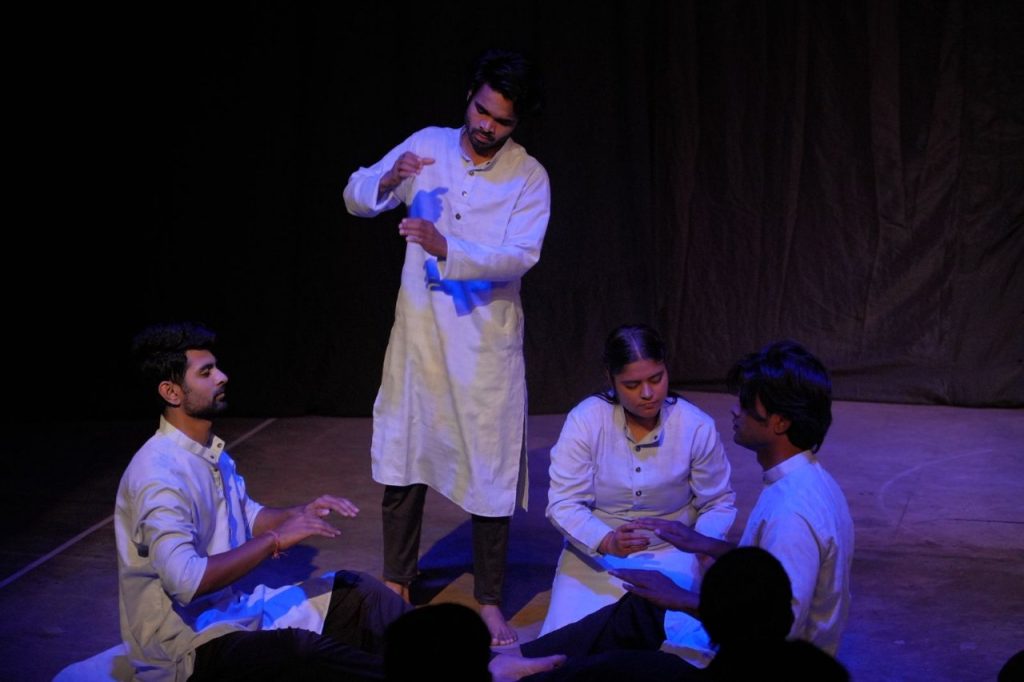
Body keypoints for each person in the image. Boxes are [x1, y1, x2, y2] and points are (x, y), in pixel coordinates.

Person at [115, 322, 565, 681]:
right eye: (206, 372)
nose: (222, 377)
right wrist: (276, 541)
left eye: (216, 367)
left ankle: (482, 664)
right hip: (187, 651)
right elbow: (187, 582)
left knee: (357, 591)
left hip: (236, 614)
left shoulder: (209, 453)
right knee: (300, 654)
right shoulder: (159, 476)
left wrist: (295, 515)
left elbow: (246, 515)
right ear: (171, 392)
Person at [342, 48, 549, 646]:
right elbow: (355, 193)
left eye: (502, 121)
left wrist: (446, 247)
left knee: (490, 468)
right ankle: (398, 580)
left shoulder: (529, 177)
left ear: (517, 122)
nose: (487, 126)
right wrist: (387, 180)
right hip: (421, 338)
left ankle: (489, 599)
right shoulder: (428, 145)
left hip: (484, 347)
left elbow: (520, 255)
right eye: (482, 111)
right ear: (470, 96)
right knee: (406, 453)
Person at [620, 339, 855, 656]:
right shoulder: (808, 479)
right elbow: (771, 567)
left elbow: (775, 629)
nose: (734, 411)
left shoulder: (792, 514)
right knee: (632, 615)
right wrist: (707, 545)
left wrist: (681, 598)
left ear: (780, 422)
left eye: (745, 404)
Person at [541, 324, 736, 667]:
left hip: (673, 555)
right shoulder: (585, 421)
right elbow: (563, 503)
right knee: (562, 654)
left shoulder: (695, 425)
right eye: (632, 385)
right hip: (597, 559)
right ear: (611, 379)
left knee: (684, 655)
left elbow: (718, 501)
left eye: (656, 379)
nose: (648, 393)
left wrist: (699, 545)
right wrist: (606, 540)